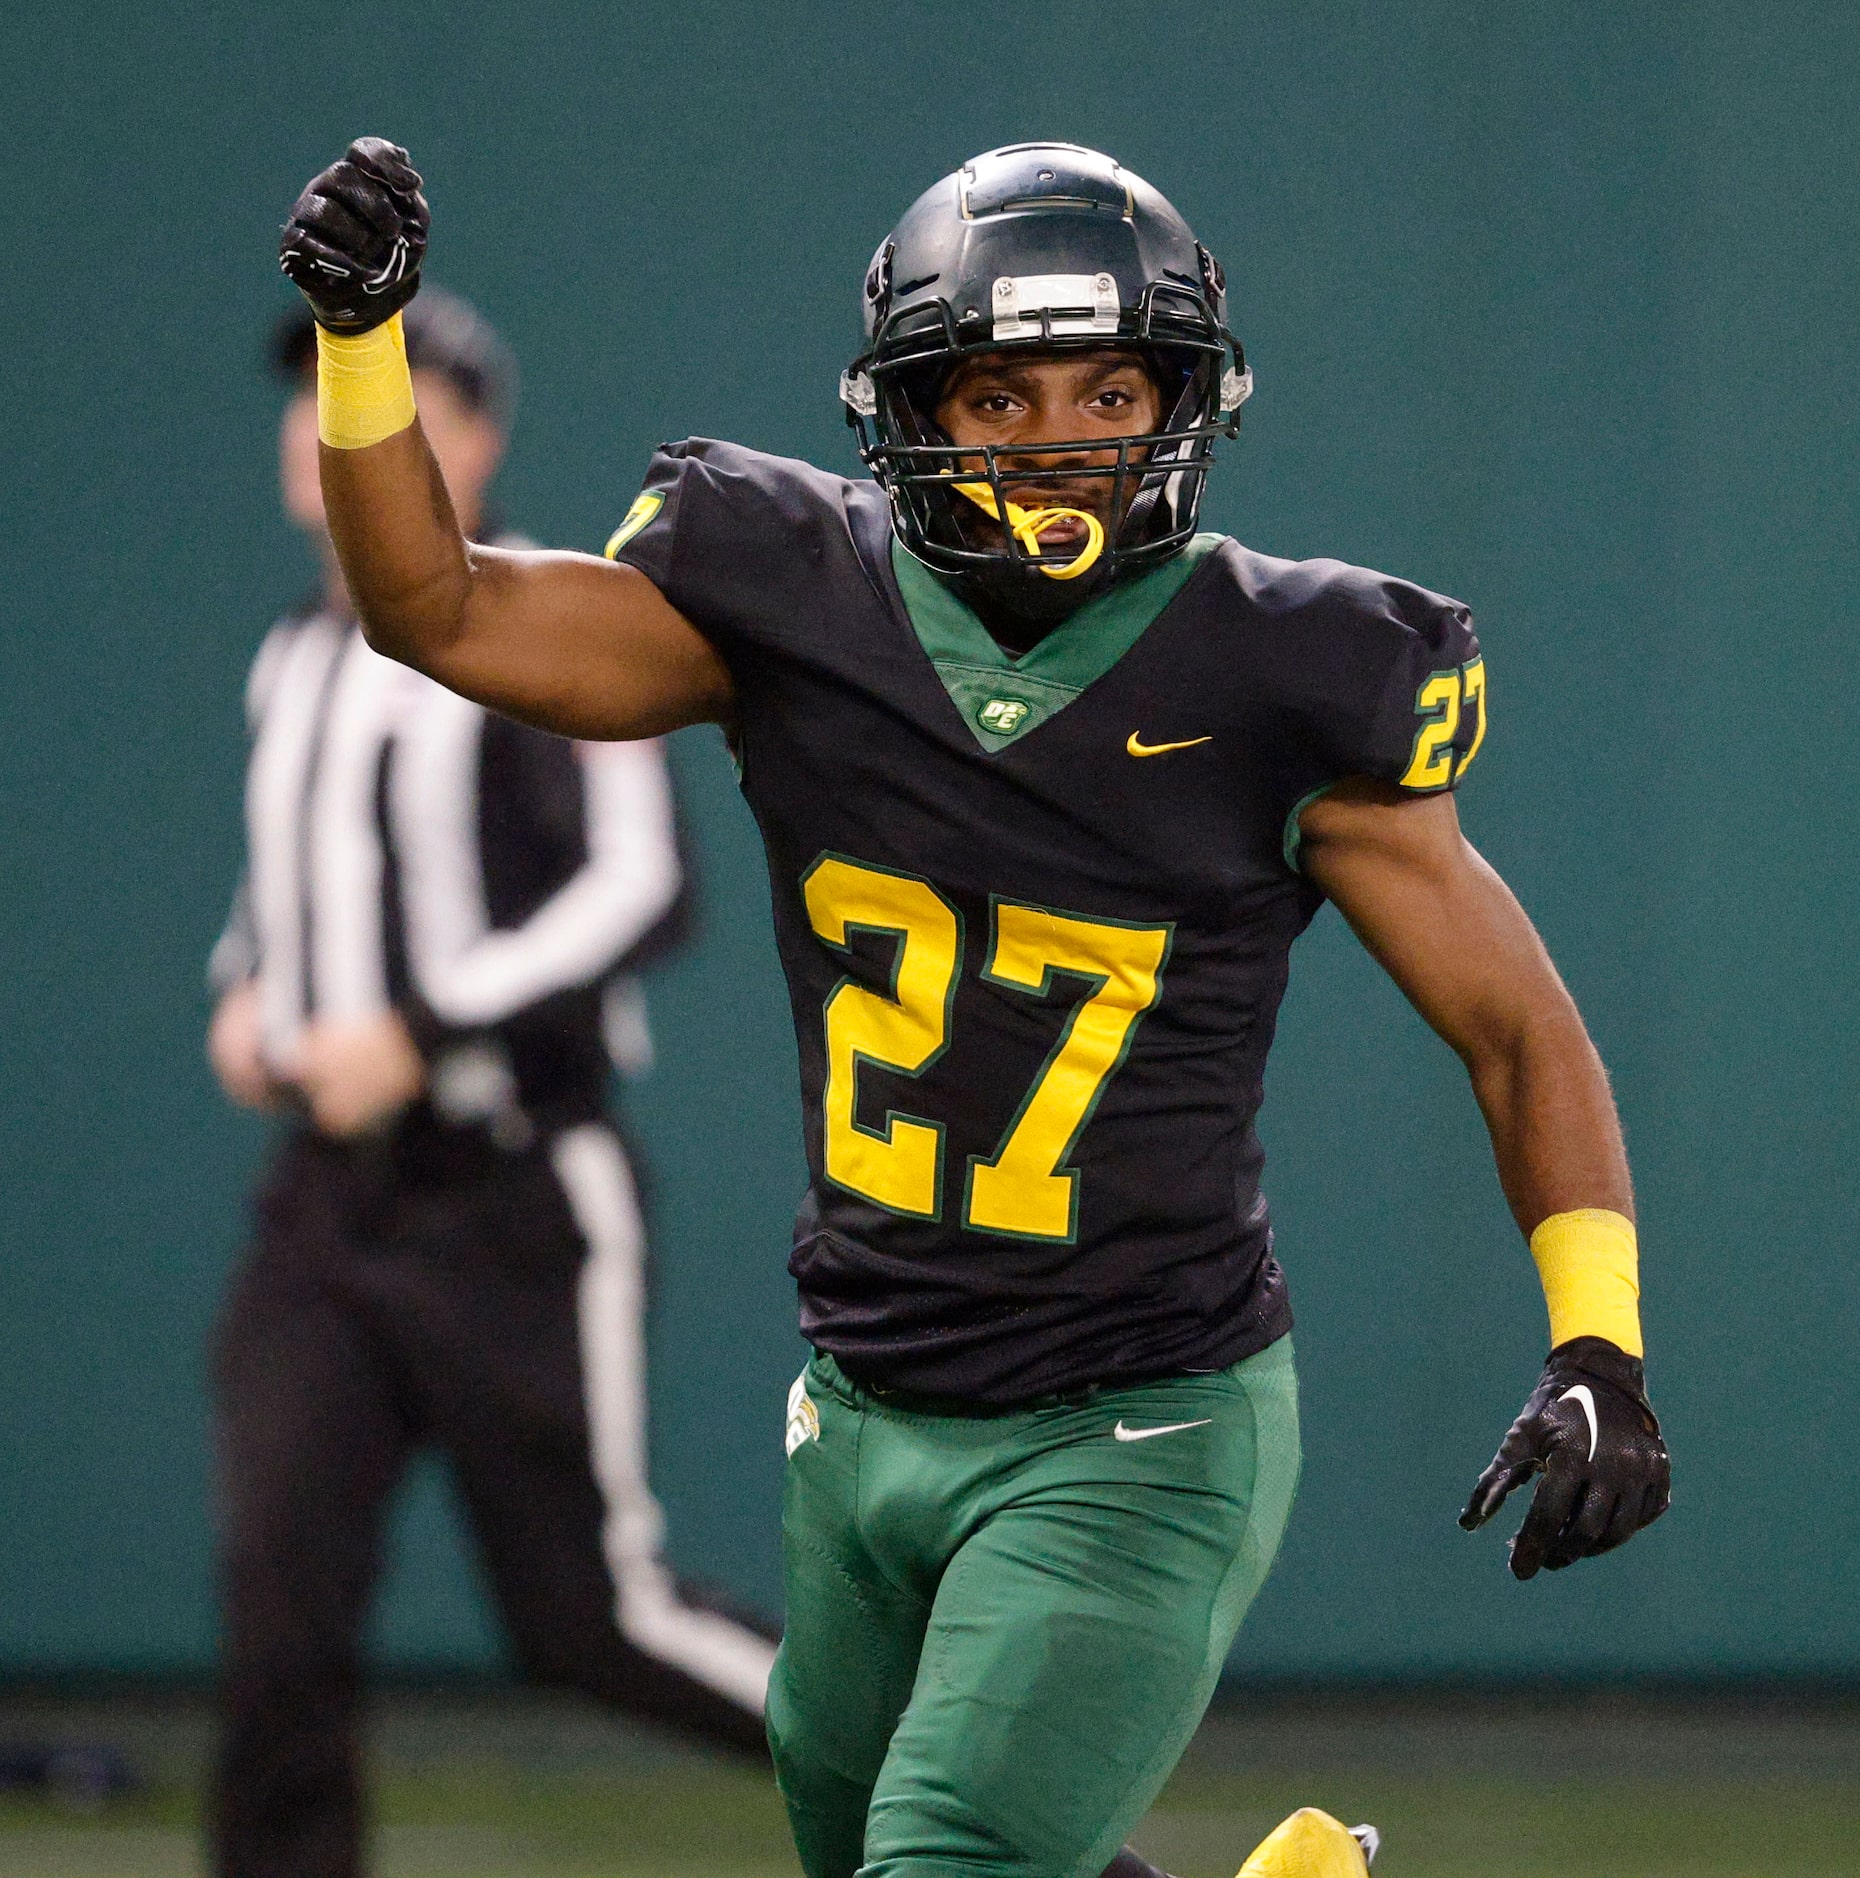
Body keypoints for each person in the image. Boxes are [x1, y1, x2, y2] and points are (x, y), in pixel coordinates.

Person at [272, 138, 1672, 1878]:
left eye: (1109, 386)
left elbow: (1518, 1025)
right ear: (910, 411)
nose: (1062, 439)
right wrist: (363, 336)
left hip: (1136, 1419)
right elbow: (436, 606)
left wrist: (1598, 1337)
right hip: (863, 1401)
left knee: (946, 1854)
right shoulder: (793, 601)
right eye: (999, 395)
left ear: (1189, 396)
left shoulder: (1286, 679)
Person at [205, 285, 776, 1878]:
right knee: (275, 1601)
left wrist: (418, 1020)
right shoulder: (289, 658)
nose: (342, 428)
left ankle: (953, 1803)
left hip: (514, 1193)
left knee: (596, 1619)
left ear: (471, 437)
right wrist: (248, 989)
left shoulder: (545, 624)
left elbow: (642, 889)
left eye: (398, 399)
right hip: (326, 1210)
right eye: (321, 397)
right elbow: (287, 882)